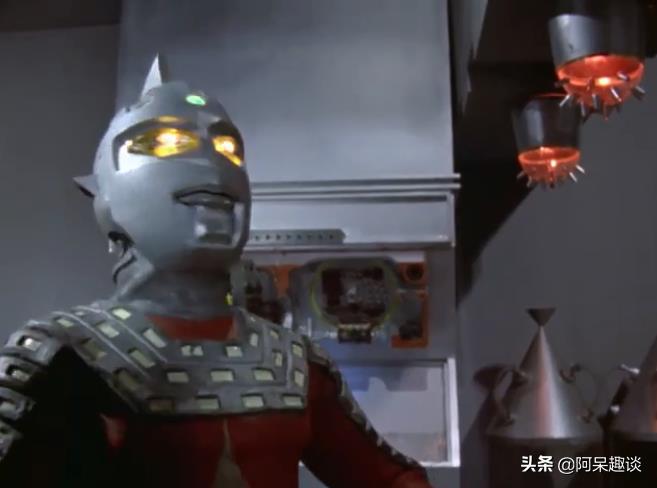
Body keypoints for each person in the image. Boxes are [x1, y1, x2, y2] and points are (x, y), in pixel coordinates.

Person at [0, 56, 432, 488]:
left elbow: (388, 477)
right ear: (105, 196)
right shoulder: (65, 355)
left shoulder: (292, 362)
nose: (211, 161)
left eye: (228, 147)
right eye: (166, 142)